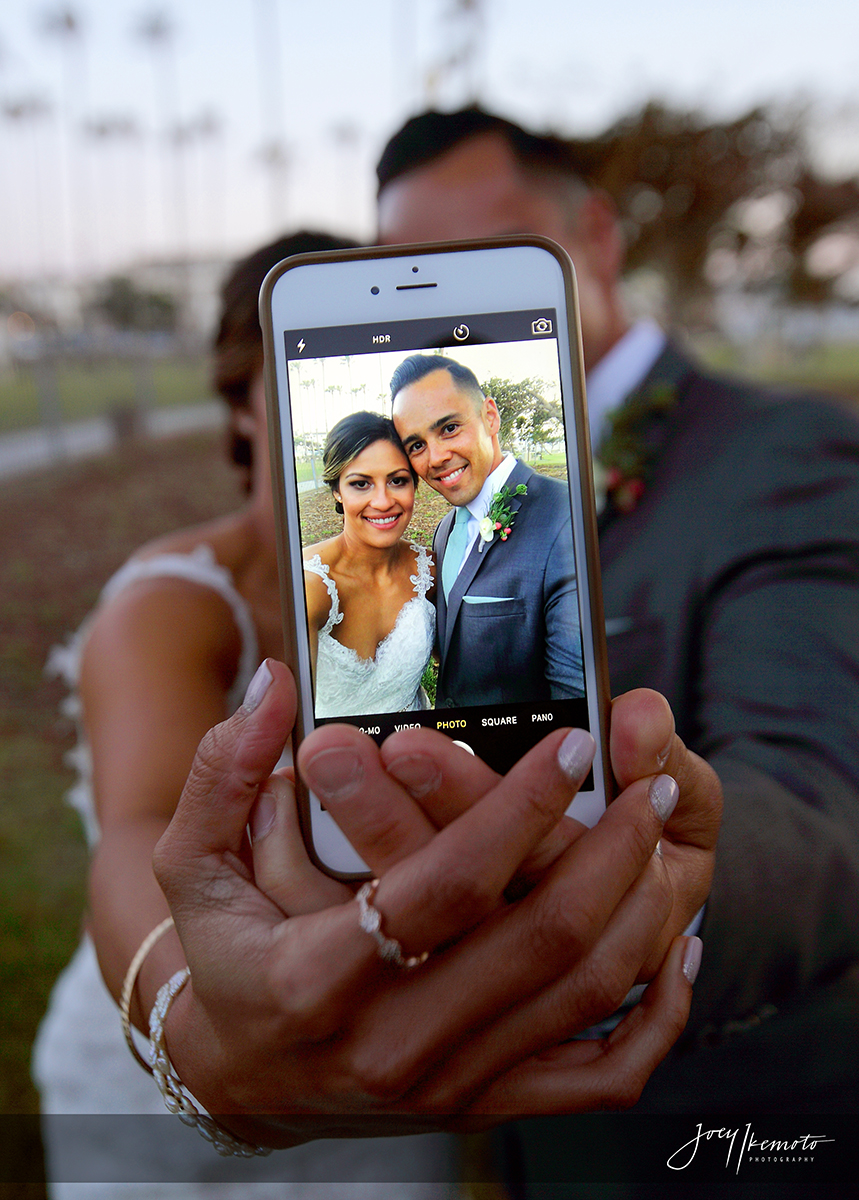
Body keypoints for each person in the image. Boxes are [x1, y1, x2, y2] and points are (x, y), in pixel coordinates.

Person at [375, 105, 859, 1179]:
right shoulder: (416, 504)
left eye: (483, 259)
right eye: (409, 276)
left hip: (729, 1128)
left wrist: (629, 903)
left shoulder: (786, 453)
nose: (448, 308)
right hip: (518, 1126)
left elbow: (822, 804)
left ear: (595, 238)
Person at [32, 231, 459, 1197]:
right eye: (308, 366)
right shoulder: (172, 605)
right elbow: (139, 833)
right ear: (240, 398)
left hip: (374, 1065)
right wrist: (192, 1021)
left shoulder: (430, 581)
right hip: (158, 1091)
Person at [390, 352, 584, 706]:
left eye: (449, 428)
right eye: (417, 445)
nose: (435, 457)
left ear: (490, 417)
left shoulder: (565, 516)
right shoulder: (445, 530)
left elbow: (574, 699)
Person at [303, 411, 434, 717]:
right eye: (361, 484)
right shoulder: (310, 587)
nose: (383, 501)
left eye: (397, 481)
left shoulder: (428, 570)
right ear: (337, 490)